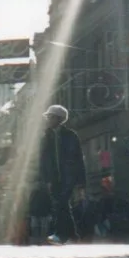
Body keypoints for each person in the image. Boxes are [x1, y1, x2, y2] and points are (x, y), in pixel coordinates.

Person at [38, 104, 86, 245]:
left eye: (51, 117)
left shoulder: (71, 136)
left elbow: (79, 159)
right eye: (48, 117)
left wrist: (81, 182)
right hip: (53, 179)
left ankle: (61, 235)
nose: (48, 119)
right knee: (63, 205)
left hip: (68, 177)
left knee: (61, 203)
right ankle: (73, 235)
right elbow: (43, 161)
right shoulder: (46, 137)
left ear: (59, 119)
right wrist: (46, 179)